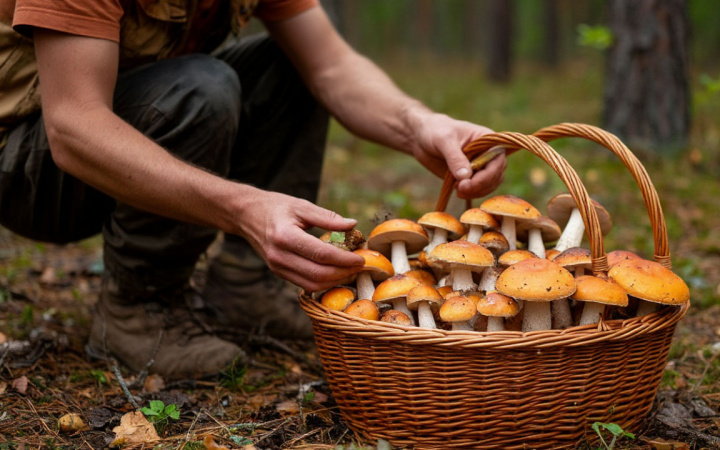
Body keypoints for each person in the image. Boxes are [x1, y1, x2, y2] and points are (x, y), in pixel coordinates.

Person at [0, 0, 506, 379]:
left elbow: (331, 68)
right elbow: (73, 126)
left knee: (290, 68)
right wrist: (245, 208)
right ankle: (138, 309)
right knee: (203, 86)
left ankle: (246, 286)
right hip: (27, 166)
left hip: (139, 123)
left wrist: (420, 124)